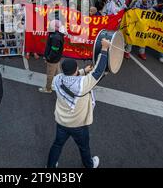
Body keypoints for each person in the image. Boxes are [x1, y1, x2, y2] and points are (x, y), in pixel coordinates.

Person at [46, 38, 110, 168]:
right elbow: (98, 72)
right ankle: (89, 165)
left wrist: (84, 71)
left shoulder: (57, 79)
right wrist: (104, 49)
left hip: (62, 122)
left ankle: (50, 166)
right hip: (78, 125)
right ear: (75, 70)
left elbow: (70, 78)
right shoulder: (83, 84)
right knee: (84, 147)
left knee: (57, 145)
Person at [39, 20, 65, 94]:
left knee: (50, 75)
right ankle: (61, 85)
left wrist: (48, 58)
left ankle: (48, 88)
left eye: (51, 25)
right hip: (56, 58)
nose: (49, 26)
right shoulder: (56, 34)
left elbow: (54, 50)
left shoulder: (55, 37)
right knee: (58, 71)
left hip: (52, 60)